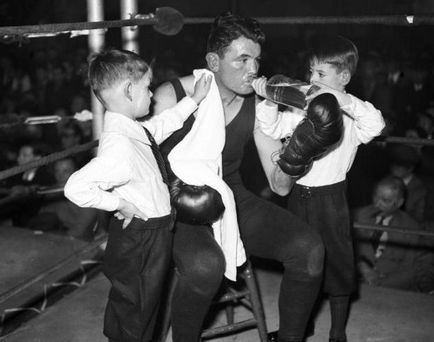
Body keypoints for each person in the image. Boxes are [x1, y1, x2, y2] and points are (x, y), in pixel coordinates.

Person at [153, 13, 325, 342]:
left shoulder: (257, 103)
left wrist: (299, 151)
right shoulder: (172, 95)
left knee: (310, 248)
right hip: (175, 203)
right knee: (205, 266)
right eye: (242, 59)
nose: (253, 71)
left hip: (231, 197)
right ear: (213, 61)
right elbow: (138, 162)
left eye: (257, 60)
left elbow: (279, 184)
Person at [64, 49, 211, 342]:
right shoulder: (118, 146)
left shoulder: (132, 130)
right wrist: (119, 203)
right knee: (138, 315)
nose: (152, 96)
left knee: (136, 309)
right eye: (147, 88)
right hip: (142, 240)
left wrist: (192, 100)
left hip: (149, 236)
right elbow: (75, 187)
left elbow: (159, 126)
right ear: (129, 90)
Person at [252, 35, 385, 342]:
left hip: (332, 198)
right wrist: (271, 98)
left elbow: (377, 125)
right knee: (300, 263)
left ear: (344, 77)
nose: (312, 80)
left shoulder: (352, 116)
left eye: (321, 75)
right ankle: (300, 326)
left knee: (337, 266)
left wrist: (342, 101)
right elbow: (271, 128)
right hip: (299, 196)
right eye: (310, 72)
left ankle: (338, 332)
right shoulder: (302, 111)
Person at [353, 176, 420, 290]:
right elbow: (341, 253)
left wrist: (380, 283)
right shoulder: (357, 215)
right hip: (357, 282)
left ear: (399, 203)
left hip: (390, 288)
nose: (377, 204)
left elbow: (410, 270)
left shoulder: (411, 227)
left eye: (385, 200)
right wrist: (362, 267)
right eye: (375, 196)